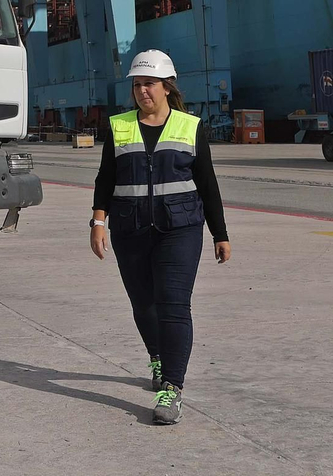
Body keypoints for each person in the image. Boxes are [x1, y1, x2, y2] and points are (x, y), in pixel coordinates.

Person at [89, 49, 232, 425]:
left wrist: (220, 233)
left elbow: (208, 184)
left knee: (173, 303)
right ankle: (157, 355)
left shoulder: (191, 126)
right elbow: (106, 179)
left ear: (167, 87)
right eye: (137, 85)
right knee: (143, 302)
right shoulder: (119, 127)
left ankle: (172, 386)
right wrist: (98, 222)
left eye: (148, 84)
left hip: (180, 229)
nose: (142, 92)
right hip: (129, 228)